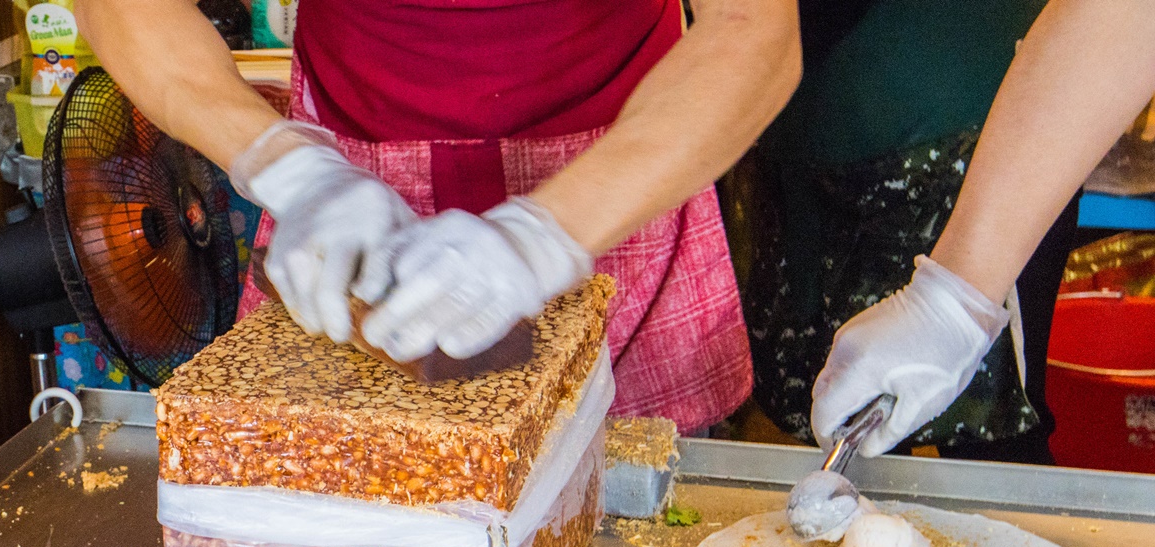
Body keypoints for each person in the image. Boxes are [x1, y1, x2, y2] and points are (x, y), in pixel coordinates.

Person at [75, 0, 802, 436]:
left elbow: (755, 30)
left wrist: (539, 241)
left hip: (616, 200)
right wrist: (283, 165)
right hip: (345, 215)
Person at [810, 0, 1155, 457]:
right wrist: (952, 302)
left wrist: (951, 303)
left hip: (978, 116)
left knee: (997, 438)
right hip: (827, 129)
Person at [740, 0, 1068, 464]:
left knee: (989, 441)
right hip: (806, 136)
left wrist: (954, 305)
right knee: (840, 412)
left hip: (969, 129)